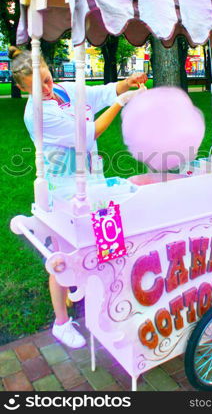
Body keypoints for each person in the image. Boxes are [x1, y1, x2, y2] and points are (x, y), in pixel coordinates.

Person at [9, 45, 147, 348]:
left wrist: (125, 84)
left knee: (106, 244)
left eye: (47, 79)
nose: (47, 88)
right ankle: (61, 323)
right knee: (63, 259)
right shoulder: (39, 115)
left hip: (91, 182)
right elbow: (89, 133)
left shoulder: (61, 90)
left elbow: (96, 95)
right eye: (37, 86)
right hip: (62, 189)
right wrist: (122, 102)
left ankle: (107, 305)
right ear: (20, 88)